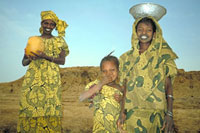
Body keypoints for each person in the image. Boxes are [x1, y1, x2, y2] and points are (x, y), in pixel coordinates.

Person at [118, 16, 178, 133]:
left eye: (148, 30)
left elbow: (169, 87)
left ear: (154, 33)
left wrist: (169, 114)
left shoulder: (163, 56)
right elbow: (126, 87)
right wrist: (122, 112)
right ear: (135, 32)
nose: (144, 33)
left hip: (155, 115)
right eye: (140, 29)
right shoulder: (127, 58)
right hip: (132, 115)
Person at [17, 10, 69, 133]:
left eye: (52, 24)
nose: (48, 27)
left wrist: (45, 56)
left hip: (52, 81)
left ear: (55, 27)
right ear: (41, 24)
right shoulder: (33, 40)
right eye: (46, 23)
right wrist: (29, 57)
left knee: (50, 108)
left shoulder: (59, 41)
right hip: (33, 80)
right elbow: (24, 63)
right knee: (30, 107)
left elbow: (62, 61)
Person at [79, 53, 126, 133]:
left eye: (112, 70)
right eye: (105, 71)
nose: (109, 74)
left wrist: (121, 100)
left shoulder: (121, 88)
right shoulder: (96, 85)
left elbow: (125, 107)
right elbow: (82, 97)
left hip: (117, 128)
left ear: (118, 70)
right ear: (101, 73)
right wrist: (100, 84)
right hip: (100, 129)